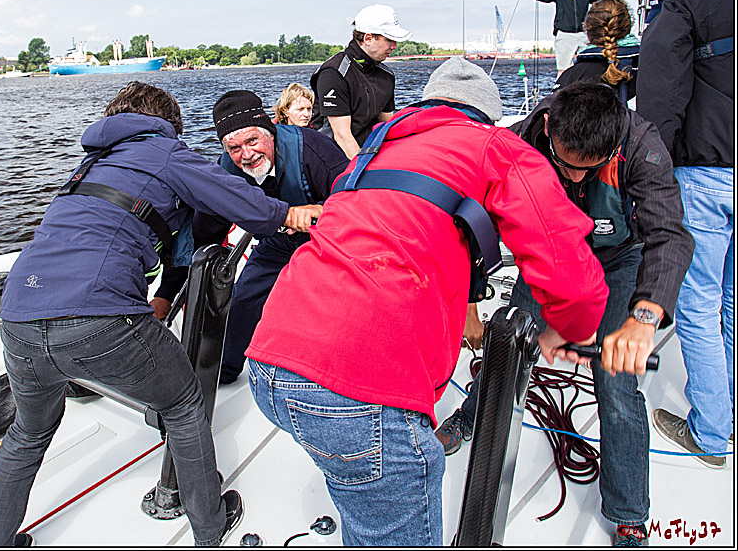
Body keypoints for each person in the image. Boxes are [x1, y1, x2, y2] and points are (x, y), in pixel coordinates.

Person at [244, 57, 626, 546]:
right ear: (486, 117)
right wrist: (567, 329)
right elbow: (565, 257)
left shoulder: (377, 150)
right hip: (359, 386)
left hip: (272, 362)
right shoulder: (495, 147)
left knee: (356, 485)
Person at [0, 82, 317, 547]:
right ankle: (210, 525)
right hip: (97, 316)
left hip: (19, 316)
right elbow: (242, 204)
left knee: (28, 434)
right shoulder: (162, 150)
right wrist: (291, 214)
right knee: (182, 404)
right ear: (167, 123)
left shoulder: (89, 163)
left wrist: (162, 292)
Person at [435, 82, 694, 546]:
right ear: (549, 128)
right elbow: (471, 218)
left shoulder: (642, 145)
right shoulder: (520, 136)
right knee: (507, 346)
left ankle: (629, 513)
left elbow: (670, 236)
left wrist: (645, 316)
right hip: (552, 253)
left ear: (615, 146)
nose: (574, 180)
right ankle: (472, 414)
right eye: (564, 165)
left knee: (615, 382)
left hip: (618, 260)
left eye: (587, 170)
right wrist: (471, 301)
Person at [150, 90, 348, 385]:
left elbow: (360, 202)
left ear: (269, 130)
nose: (247, 155)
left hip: (332, 240)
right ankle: (223, 372)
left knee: (329, 306)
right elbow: (201, 238)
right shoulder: (226, 172)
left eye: (252, 141)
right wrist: (165, 295)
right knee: (243, 297)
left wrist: (321, 210)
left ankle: (335, 372)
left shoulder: (314, 149)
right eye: (234, 148)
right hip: (277, 243)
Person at [637, 0, 735, 469]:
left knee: (698, 305)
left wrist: (656, 171)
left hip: (707, 175)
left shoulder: (688, 5)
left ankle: (713, 433)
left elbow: (660, 94)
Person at [309, 4, 411, 158]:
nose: (395, 46)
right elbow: (342, 136)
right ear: (368, 38)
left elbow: (387, 126)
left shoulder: (387, 75)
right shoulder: (334, 73)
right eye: (389, 40)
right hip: (331, 160)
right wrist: (364, 175)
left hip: (369, 156)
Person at [552, 0, 640, 100]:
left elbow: (550, 112)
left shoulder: (572, 77)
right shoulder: (649, 68)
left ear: (588, 30)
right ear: (628, 26)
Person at [527, 0, 601, 77]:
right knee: (564, 69)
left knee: (589, 66)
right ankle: (561, 94)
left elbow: (599, 5)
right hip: (565, 35)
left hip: (584, 34)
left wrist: (592, 23)